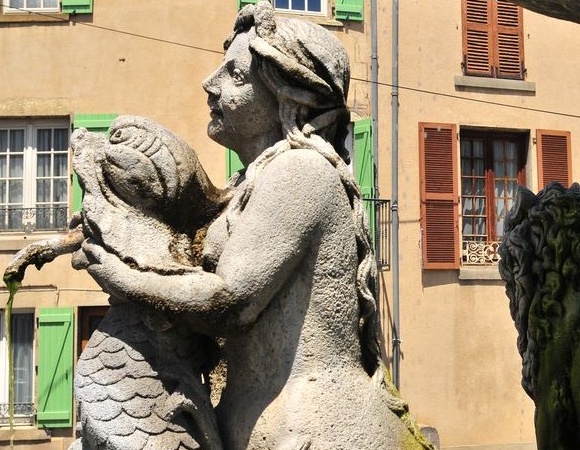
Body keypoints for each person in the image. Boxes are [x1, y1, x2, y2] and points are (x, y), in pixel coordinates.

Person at [74, 2, 421, 448]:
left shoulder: (300, 172)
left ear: (287, 98)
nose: (210, 84)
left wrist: (118, 273)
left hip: (312, 430)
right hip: (264, 424)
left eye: (235, 76)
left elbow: (231, 301)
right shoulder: (250, 181)